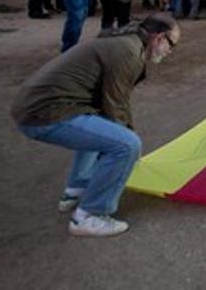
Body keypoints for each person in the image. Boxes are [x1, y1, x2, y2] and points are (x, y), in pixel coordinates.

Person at [11, 13, 180, 237]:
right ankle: (89, 215)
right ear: (159, 38)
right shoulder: (128, 52)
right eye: (172, 44)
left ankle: (76, 190)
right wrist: (129, 147)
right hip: (44, 112)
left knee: (104, 128)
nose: (170, 51)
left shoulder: (124, 42)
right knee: (127, 145)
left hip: (37, 108)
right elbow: (116, 105)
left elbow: (109, 106)